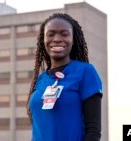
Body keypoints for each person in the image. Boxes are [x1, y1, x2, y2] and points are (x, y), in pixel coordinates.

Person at [26, 13, 102, 141]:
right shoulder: (40, 80)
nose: (57, 39)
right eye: (50, 34)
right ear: (43, 40)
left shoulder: (85, 72)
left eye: (64, 34)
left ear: (73, 40)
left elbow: (93, 131)